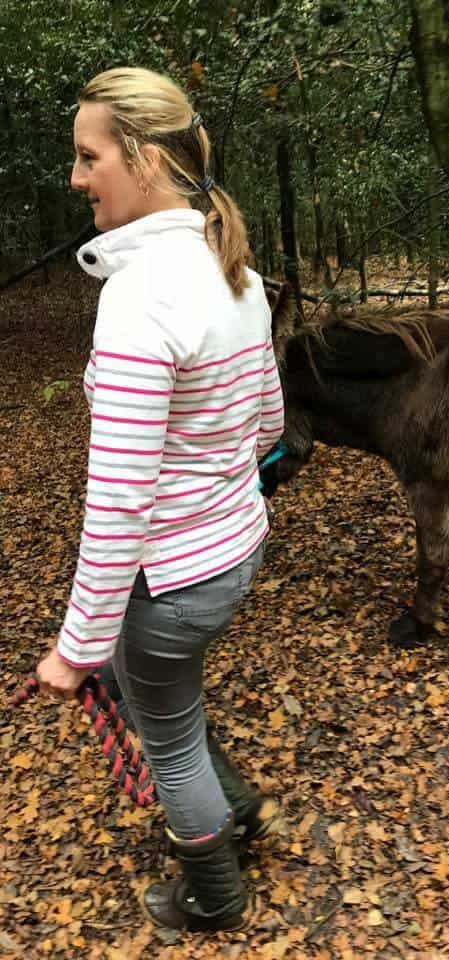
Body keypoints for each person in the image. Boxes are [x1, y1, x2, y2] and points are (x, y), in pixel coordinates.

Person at [34, 66, 285, 932]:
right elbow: (267, 424)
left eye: (88, 156)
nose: (76, 177)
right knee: (156, 694)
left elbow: (119, 501)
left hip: (172, 580)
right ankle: (239, 803)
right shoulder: (235, 270)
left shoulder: (139, 297)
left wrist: (74, 649)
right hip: (234, 551)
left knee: (167, 740)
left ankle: (214, 893)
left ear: (142, 158)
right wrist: (215, 485)